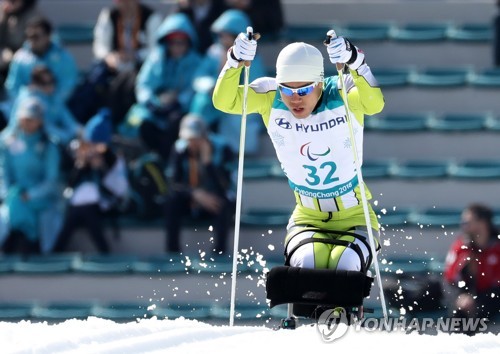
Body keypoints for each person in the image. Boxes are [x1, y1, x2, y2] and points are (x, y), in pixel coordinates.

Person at [212, 32, 385, 271]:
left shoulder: (341, 90)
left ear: (320, 83)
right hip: (308, 217)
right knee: (308, 265)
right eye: (286, 89)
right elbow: (225, 101)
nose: (294, 99)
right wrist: (233, 61)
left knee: (344, 266)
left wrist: (356, 62)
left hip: (354, 216)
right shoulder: (269, 96)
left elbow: (374, 104)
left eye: (303, 90)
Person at [120, 13, 201, 163]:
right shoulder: (157, 58)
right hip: (155, 108)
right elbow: (144, 84)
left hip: (180, 111)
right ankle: (153, 162)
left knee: (175, 123)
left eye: (181, 43)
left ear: (188, 43)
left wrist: (177, 102)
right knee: (143, 123)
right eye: (173, 42)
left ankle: (168, 164)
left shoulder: (196, 62)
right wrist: (152, 102)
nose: (176, 47)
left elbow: (194, 88)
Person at [68, 0, 163, 126]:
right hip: (115, 65)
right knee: (93, 79)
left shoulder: (151, 17)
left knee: (126, 83)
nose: (125, 4)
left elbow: (155, 50)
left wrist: (136, 55)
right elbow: (100, 45)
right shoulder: (110, 15)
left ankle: (113, 121)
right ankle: (80, 120)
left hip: (140, 67)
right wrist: (109, 57)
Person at [190, 9, 266, 155]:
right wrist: (210, 86)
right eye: (221, 35)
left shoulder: (252, 58)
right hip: (214, 99)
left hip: (237, 100)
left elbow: (255, 85)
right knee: (200, 102)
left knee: (238, 119)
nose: (223, 39)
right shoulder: (213, 53)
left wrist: (231, 91)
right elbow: (199, 77)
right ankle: (195, 141)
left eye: (228, 35)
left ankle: (233, 154)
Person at [53, 108, 129, 254]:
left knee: (87, 213)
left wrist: (101, 169)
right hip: (77, 206)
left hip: (103, 205)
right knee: (76, 213)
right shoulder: (78, 155)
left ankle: (105, 254)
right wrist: (80, 166)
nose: (93, 149)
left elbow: (117, 191)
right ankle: (56, 254)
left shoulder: (112, 159)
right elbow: (69, 186)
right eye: (90, 144)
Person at [0, 96, 63, 254]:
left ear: (40, 121)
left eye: (32, 119)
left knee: (24, 212)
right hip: (16, 197)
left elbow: (51, 180)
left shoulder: (49, 146)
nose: (28, 123)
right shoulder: (9, 143)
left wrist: (30, 195)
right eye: (25, 118)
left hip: (42, 199)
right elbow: (4, 172)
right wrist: (10, 193)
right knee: (13, 209)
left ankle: (29, 246)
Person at [164, 113, 234, 254]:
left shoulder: (223, 149)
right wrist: (195, 194)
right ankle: (173, 253)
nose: (192, 143)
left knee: (225, 203)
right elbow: (173, 183)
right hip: (191, 199)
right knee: (171, 201)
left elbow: (226, 186)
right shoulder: (179, 149)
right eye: (188, 139)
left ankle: (219, 253)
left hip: (214, 199)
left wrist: (208, 164)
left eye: (196, 139)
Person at [443, 203, 500, 334]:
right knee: (458, 312)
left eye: (468, 221)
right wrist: (460, 297)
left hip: (492, 298)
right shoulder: (461, 246)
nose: (464, 224)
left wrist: (475, 300)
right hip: (465, 297)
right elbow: (449, 278)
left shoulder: (497, 247)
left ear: (482, 223)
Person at [4, 15, 78, 105]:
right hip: (25, 109)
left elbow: (67, 86)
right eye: (29, 36)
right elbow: (12, 87)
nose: (32, 40)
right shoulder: (19, 58)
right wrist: (25, 104)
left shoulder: (64, 57)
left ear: (48, 36)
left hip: (56, 109)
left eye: (36, 36)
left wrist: (48, 105)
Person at [7, 65, 82, 146]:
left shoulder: (52, 98)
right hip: (27, 143)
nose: (50, 86)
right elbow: (45, 128)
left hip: (53, 140)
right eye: (45, 83)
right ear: (34, 83)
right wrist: (69, 138)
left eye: (52, 81)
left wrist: (77, 132)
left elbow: (68, 120)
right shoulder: (30, 101)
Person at [0, 0, 39, 89]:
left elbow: (31, 42)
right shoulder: (4, 12)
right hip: (5, 50)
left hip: (24, 52)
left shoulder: (33, 16)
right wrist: (4, 16)